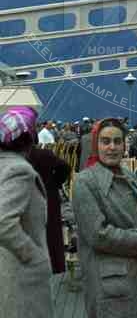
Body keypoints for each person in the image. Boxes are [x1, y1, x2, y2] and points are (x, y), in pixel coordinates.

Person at [72, 118, 137, 318]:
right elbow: (98, 235)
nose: (112, 147)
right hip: (109, 283)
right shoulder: (85, 182)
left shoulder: (128, 176)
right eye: (105, 141)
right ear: (96, 145)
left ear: (124, 145)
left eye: (117, 141)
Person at [0, 106, 54, 317]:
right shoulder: (19, 170)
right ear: (29, 138)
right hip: (19, 276)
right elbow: (3, 221)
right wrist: (31, 255)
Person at [29, 144, 71, 273]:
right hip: (49, 197)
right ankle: (55, 265)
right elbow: (65, 167)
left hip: (28, 198)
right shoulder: (44, 154)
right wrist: (54, 183)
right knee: (52, 234)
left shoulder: (15, 158)